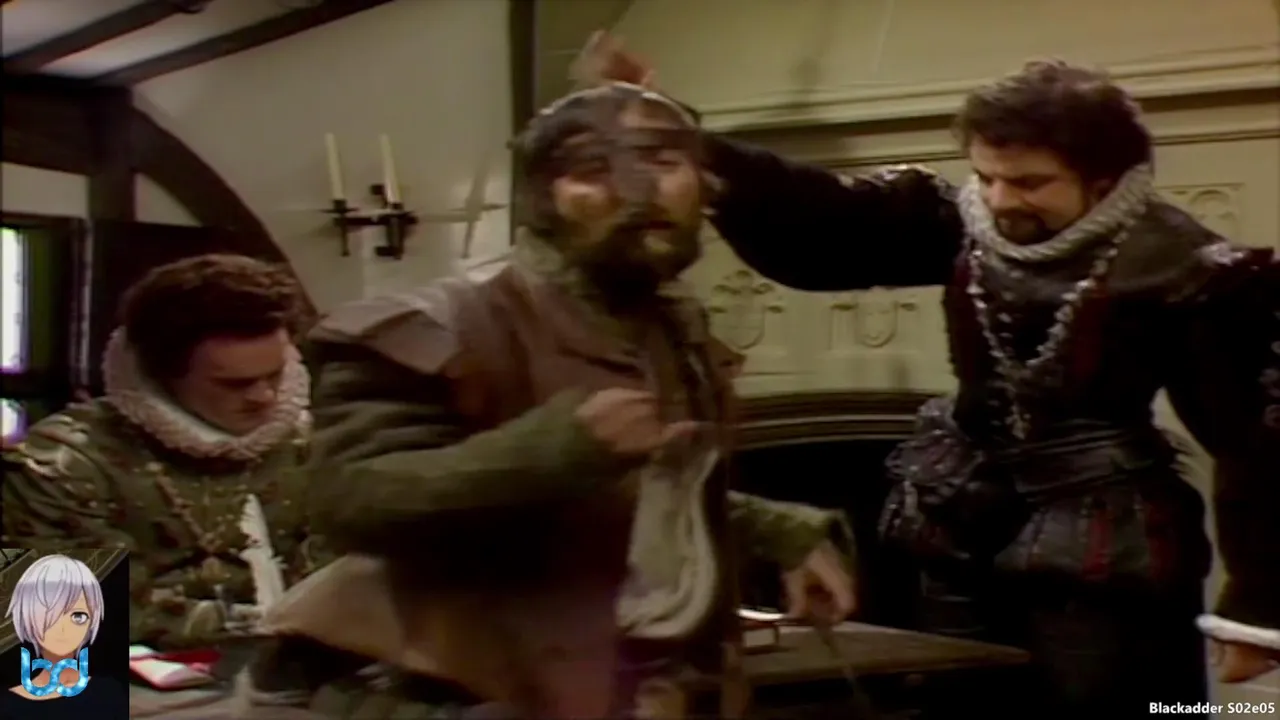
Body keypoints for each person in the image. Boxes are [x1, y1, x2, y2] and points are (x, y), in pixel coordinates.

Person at [586, 35, 1280, 717]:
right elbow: (824, 222)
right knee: (953, 701)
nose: (1001, 200)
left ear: (1103, 181)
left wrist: (1255, 610)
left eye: (1030, 182)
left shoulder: (1186, 268)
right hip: (958, 522)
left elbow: (1258, 444)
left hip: (1103, 548)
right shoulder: (965, 220)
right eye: (987, 176)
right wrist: (676, 136)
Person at [235, 82, 857, 720]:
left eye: (663, 161)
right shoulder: (439, 326)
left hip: (644, 682)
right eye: (593, 168)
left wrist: (774, 530)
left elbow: (640, 492)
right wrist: (545, 451)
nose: (639, 190)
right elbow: (353, 498)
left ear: (706, 184)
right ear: (541, 197)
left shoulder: (672, 328)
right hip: (461, 688)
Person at [2, 255, 328, 650]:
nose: (265, 397)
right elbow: (60, 627)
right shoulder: (63, 463)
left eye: (275, 375)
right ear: (162, 373)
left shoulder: (312, 445)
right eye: (234, 384)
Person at [0, 554, 128, 719]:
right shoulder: (8, 707)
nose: (62, 628)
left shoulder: (110, 693)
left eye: (78, 616)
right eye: (50, 616)